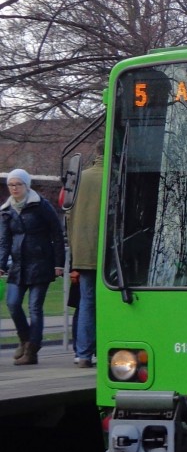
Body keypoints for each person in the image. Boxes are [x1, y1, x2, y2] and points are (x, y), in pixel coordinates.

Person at [0, 169, 65, 366]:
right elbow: (4, 240)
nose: (14, 188)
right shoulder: (7, 210)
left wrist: (58, 263)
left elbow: (57, 233)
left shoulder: (40, 205)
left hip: (41, 263)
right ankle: (25, 339)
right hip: (19, 265)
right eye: (11, 185)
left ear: (26, 185)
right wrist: (1, 264)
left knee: (35, 307)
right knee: (12, 303)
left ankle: (32, 350)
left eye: (18, 184)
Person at [66, 148, 102, 368]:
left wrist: (74, 252)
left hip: (83, 252)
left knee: (86, 302)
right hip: (110, 253)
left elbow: (68, 215)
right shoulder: (115, 176)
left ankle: (83, 354)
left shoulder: (80, 178)